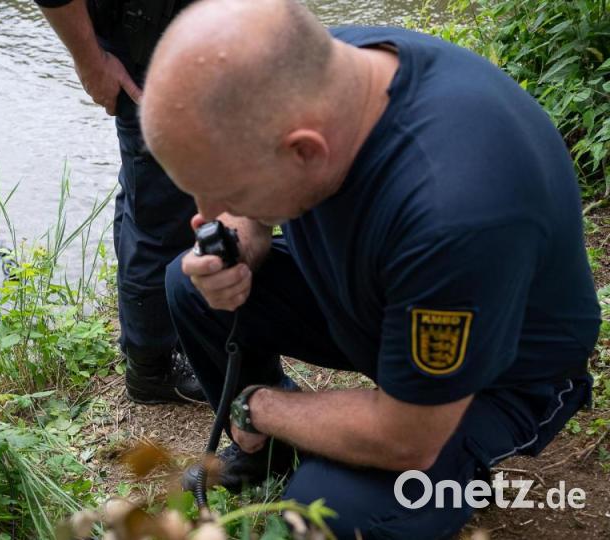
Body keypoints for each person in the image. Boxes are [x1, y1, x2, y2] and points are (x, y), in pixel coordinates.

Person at [139, 0, 600, 537]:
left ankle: (427, 478)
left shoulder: (458, 211)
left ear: (306, 151)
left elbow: (406, 437)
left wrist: (258, 407)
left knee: (323, 513)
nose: (205, 212)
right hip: (382, 301)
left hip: (501, 378)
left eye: (229, 191)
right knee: (190, 285)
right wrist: (240, 239)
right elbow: (241, 217)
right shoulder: (323, 69)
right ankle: (273, 456)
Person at [34, 0, 203, 404]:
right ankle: (152, 367)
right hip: (148, 39)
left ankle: (147, 342)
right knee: (162, 210)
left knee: (143, 196)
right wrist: (89, 59)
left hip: (172, 33)